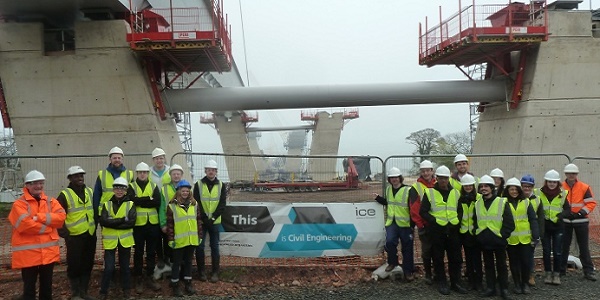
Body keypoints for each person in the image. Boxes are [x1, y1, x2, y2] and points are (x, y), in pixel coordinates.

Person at [9, 170, 66, 300]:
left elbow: (61, 218)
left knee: (47, 287)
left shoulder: (51, 202)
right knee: (29, 289)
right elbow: (25, 226)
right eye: (35, 183)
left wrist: (38, 217)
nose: (38, 186)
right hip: (28, 255)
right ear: (27, 185)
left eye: (41, 183)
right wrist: (48, 227)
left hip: (48, 253)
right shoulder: (19, 204)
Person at [420, 165, 467, 295]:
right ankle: (442, 282)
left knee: (455, 258)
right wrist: (434, 222)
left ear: (448, 178)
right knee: (438, 258)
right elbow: (423, 212)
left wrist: (456, 223)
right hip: (437, 231)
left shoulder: (455, 193)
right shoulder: (429, 193)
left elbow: (460, 210)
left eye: (445, 178)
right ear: (437, 178)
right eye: (441, 178)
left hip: (452, 231)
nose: (443, 181)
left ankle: (455, 282)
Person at [57, 166, 97, 300]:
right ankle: (75, 293)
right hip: (74, 237)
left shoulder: (90, 191)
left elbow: (95, 211)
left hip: (90, 234)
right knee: (74, 264)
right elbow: (58, 217)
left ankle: (84, 292)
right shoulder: (64, 195)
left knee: (87, 263)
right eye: (76, 176)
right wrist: (65, 235)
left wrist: (95, 226)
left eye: (81, 175)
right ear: (70, 178)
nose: (80, 178)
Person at [473, 175, 514, 299]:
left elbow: (509, 223)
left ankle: (504, 289)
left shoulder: (502, 202)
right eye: (481, 186)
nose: (483, 188)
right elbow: (475, 221)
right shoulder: (477, 203)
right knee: (488, 265)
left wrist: (502, 236)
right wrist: (478, 235)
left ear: (492, 188)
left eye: (486, 186)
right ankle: (490, 288)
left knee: (501, 265)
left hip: (498, 241)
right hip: (484, 241)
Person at [98, 177, 137, 300]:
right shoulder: (107, 204)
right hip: (110, 241)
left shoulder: (130, 204)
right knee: (109, 268)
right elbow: (103, 221)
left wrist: (113, 222)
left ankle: (126, 291)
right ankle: (103, 292)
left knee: (125, 267)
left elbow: (131, 222)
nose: (119, 191)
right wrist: (121, 220)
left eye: (122, 188)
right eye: (117, 188)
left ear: (126, 190)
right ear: (113, 190)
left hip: (125, 241)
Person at [373, 167, 414, 281]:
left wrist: (412, 224)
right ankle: (393, 262)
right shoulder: (388, 189)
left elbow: (413, 208)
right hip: (392, 222)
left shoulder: (408, 190)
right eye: (392, 178)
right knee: (390, 242)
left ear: (400, 178)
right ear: (389, 179)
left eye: (396, 177)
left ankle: (408, 271)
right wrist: (378, 199)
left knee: (407, 248)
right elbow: (388, 202)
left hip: (405, 224)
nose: (394, 179)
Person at [128, 162, 162, 293]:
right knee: (138, 252)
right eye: (140, 172)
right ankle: (138, 278)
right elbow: (132, 201)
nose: (143, 174)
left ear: (148, 173)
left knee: (151, 252)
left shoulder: (154, 185)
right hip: (138, 225)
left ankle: (150, 277)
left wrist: (141, 201)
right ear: (137, 173)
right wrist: (149, 199)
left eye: (145, 172)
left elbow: (157, 202)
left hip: (152, 224)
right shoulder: (131, 186)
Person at [503, 177, 540, 295]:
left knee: (525, 263)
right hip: (511, 239)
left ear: (519, 190)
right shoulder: (503, 203)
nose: (514, 191)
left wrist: (535, 235)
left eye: (516, 189)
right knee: (513, 263)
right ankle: (517, 284)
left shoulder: (526, 202)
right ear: (507, 190)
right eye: (511, 189)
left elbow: (533, 219)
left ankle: (525, 284)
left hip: (525, 239)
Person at [561, 163, 597, 281]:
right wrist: (565, 213)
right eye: (569, 173)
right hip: (565, 221)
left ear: (576, 174)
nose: (571, 175)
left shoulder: (584, 187)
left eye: (573, 173)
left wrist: (580, 212)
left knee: (584, 247)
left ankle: (588, 271)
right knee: (563, 247)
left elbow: (591, 203)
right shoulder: (560, 187)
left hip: (581, 220)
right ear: (566, 174)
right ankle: (561, 271)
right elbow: (557, 204)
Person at [167, 180, 202, 297]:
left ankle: (188, 283)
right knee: (176, 263)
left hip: (191, 239)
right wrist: (171, 239)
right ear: (178, 191)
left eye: (187, 191)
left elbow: (198, 221)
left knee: (188, 262)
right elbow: (170, 224)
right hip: (179, 241)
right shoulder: (172, 206)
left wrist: (200, 236)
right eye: (183, 191)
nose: (185, 193)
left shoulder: (194, 204)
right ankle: (175, 285)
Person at [193, 159, 227, 283]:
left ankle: (215, 272)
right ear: (205, 171)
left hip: (215, 222)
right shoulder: (198, 184)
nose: (211, 172)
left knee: (215, 247)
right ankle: (201, 272)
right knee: (200, 247)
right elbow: (196, 202)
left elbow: (222, 204)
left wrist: (212, 218)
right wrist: (203, 217)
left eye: (213, 170)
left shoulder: (222, 185)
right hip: (202, 222)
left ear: (216, 171)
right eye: (209, 170)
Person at [538, 169, 570, 285]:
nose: (552, 184)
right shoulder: (539, 193)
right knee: (546, 251)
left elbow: (568, 209)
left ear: (558, 183)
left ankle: (556, 274)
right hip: (545, 227)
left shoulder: (562, 194)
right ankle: (547, 273)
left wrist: (561, 216)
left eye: (554, 182)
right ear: (546, 182)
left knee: (557, 252)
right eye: (549, 181)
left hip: (558, 227)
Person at [409, 159, 436, 284]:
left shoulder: (438, 183)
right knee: (426, 251)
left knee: (438, 251)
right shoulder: (415, 188)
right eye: (423, 171)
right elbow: (414, 209)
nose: (426, 173)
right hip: (424, 225)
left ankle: (437, 273)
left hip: (437, 225)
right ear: (421, 172)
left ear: (432, 171)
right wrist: (420, 224)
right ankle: (428, 275)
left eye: (428, 171)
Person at [156, 163, 185, 278]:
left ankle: (181, 273)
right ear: (170, 175)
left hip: (182, 225)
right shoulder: (164, 189)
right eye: (174, 174)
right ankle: (171, 273)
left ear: (181, 175)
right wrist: (163, 224)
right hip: (170, 224)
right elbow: (162, 208)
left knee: (181, 249)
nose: (176, 176)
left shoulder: (186, 189)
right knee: (169, 248)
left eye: (178, 174)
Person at [457, 174, 483, 291]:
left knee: (477, 258)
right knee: (468, 258)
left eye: (470, 185)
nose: (468, 187)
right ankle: (471, 281)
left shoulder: (479, 198)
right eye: (465, 185)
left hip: (476, 232)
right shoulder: (460, 199)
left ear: (473, 185)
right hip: (464, 233)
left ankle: (479, 282)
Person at [93, 146, 134, 217]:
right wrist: (96, 213)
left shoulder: (129, 174)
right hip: (105, 212)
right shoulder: (102, 174)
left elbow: (132, 195)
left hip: (124, 211)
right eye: (114, 158)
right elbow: (97, 195)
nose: (117, 160)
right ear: (110, 159)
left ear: (122, 159)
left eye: (119, 158)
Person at [520, 174, 544, 287]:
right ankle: (519, 275)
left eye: (529, 186)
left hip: (531, 234)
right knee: (518, 256)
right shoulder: (517, 199)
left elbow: (540, 219)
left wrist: (538, 235)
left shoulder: (537, 200)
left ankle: (530, 275)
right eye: (524, 186)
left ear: (533, 187)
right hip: (519, 233)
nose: (526, 188)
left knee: (529, 256)